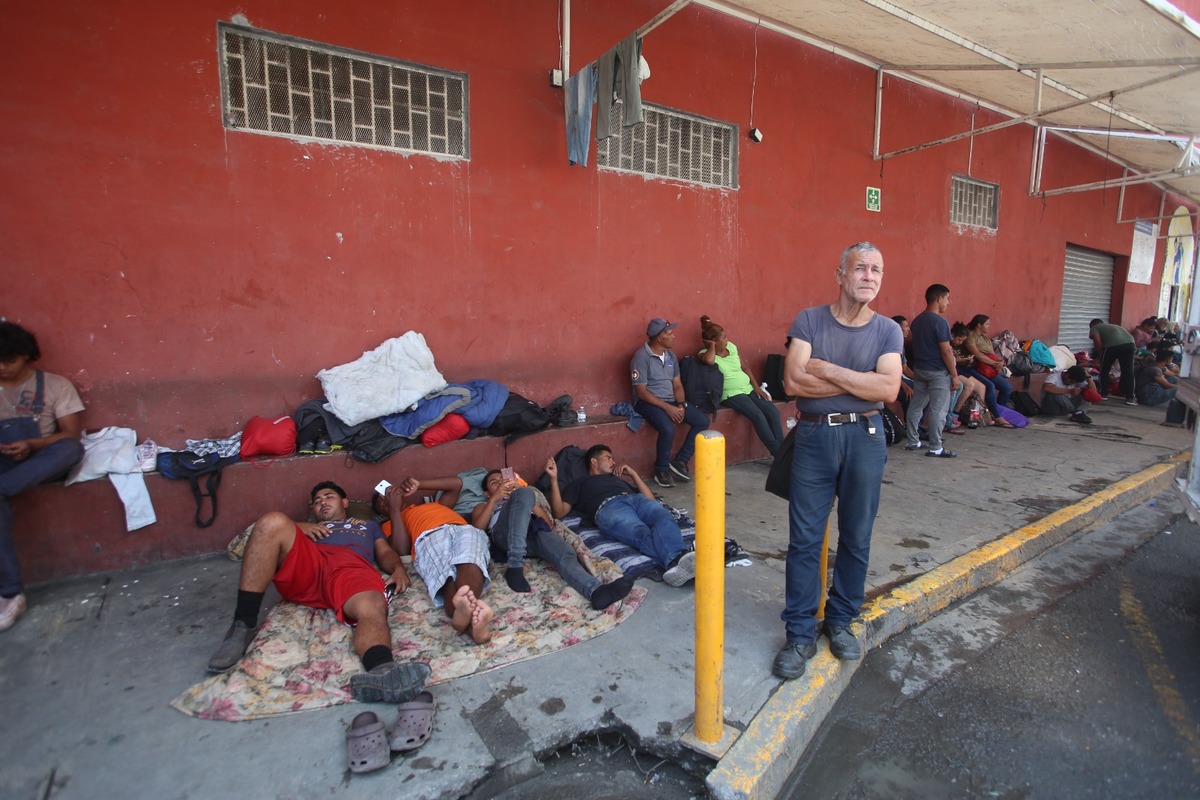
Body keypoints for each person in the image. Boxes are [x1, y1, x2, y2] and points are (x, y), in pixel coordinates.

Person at [774, 242, 903, 680]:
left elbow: (888, 391)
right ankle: (799, 632)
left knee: (857, 536)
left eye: (877, 270)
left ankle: (841, 620)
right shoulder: (809, 320)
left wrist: (825, 369)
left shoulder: (888, 330)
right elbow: (792, 381)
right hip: (813, 436)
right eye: (861, 268)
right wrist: (860, 382)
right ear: (840, 274)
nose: (870, 276)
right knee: (805, 539)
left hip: (866, 437)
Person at [206, 481, 432, 705]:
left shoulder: (367, 525)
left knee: (371, 604)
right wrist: (298, 526)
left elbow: (385, 552)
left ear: (345, 502)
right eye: (317, 501)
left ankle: (382, 671)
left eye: (328, 496)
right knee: (271, 520)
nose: (322, 502)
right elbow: (263, 538)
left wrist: (399, 568)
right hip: (309, 562)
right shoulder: (300, 527)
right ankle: (242, 626)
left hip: (350, 567)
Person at [0, 321, 85, 632]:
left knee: (71, 451)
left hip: (42, 457)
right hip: (4, 461)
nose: (2, 368)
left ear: (26, 356)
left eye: (9, 360)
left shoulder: (54, 386)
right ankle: (10, 594)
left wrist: (32, 444)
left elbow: (70, 435)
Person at [471, 468, 635, 609]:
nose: (501, 483)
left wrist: (525, 500)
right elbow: (477, 529)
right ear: (486, 493)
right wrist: (495, 499)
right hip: (505, 535)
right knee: (525, 493)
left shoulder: (523, 495)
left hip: (532, 533)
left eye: (502, 479)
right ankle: (515, 566)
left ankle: (596, 592)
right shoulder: (483, 505)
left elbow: (548, 524)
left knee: (566, 553)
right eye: (494, 482)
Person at [545, 444, 696, 587]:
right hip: (609, 507)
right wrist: (553, 479)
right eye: (608, 457)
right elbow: (559, 513)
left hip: (636, 500)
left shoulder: (616, 480)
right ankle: (678, 559)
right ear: (594, 461)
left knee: (664, 517)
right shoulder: (579, 484)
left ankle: (678, 562)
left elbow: (651, 500)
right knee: (641, 532)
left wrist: (634, 475)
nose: (614, 461)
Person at [380, 476, 495, 644]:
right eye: (383, 503)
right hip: (429, 538)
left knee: (472, 562)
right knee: (446, 579)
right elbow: (401, 550)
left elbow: (456, 484)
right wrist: (394, 510)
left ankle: (462, 617)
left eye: (390, 495)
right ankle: (472, 627)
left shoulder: (433, 505)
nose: (389, 500)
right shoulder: (389, 524)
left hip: (462, 529)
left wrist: (419, 484)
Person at [631, 318, 710, 488]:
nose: (673, 336)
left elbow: (677, 384)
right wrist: (668, 408)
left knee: (702, 421)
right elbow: (641, 392)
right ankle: (661, 470)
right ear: (659, 337)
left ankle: (681, 461)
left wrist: (680, 405)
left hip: (673, 401)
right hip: (648, 402)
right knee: (667, 428)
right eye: (669, 333)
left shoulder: (671, 356)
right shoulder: (641, 357)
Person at [697, 315, 784, 455]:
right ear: (714, 341)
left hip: (748, 389)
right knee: (758, 416)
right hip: (731, 394)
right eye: (723, 338)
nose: (727, 340)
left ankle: (782, 452)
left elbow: (745, 368)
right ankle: (777, 453)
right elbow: (709, 361)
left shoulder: (731, 347)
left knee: (772, 412)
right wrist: (711, 346)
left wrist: (756, 388)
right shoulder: (704, 354)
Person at [903, 284, 960, 458]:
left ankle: (913, 441)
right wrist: (955, 375)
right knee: (938, 410)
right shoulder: (940, 322)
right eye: (947, 299)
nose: (948, 303)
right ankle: (936, 447)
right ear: (938, 299)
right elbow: (946, 350)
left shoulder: (918, 320)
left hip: (920, 369)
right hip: (937, 372)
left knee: (916, 406)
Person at [961, 315, 1016, 427]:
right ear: (979, 325)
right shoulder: (971, 336)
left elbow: (993, 354)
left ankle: (998, 411)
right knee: (989, 386)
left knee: (1007, 387)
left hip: (990, 368)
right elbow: (978, 355)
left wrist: (1000, 363)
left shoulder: (985, 338)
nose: (988, 326)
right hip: (977, 367)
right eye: (987, 324)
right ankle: (997, 416)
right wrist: (994, 363)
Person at [1089, 318, 1137, 405]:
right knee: (1128, 371)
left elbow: (1097, 341)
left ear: (1092, 325)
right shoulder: (1114, 326)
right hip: (1130, 344)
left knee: (1104, 368)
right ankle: (1130, 398)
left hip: (1112, 346)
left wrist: (1099, 355)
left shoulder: (1095, 328)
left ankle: (1103, 394)